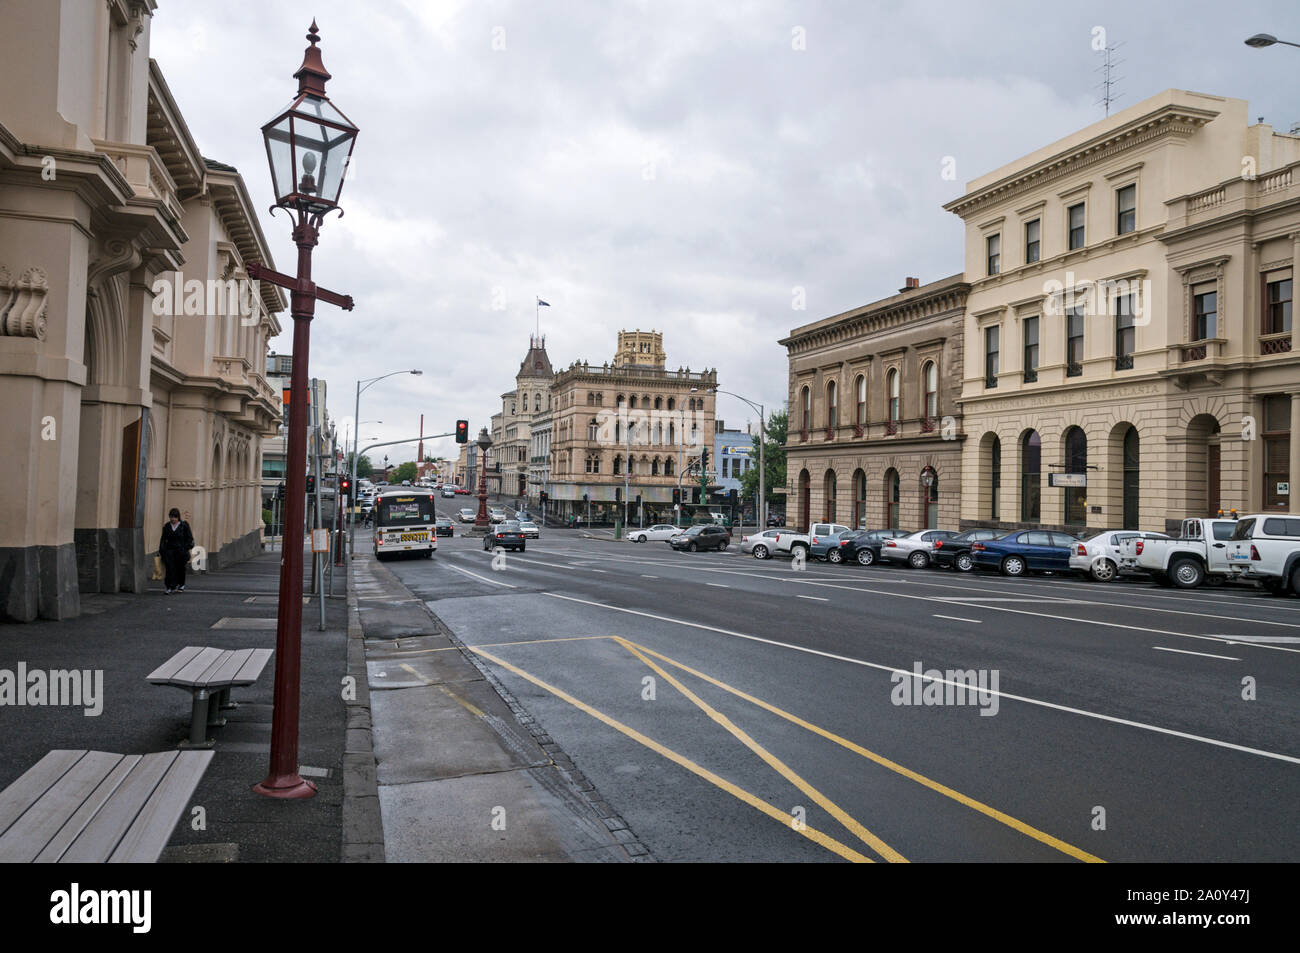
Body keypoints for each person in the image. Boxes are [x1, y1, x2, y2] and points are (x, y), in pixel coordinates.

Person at [159, 507, 194, 594]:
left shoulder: (184, 526)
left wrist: (185, 548)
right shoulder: (167, 526)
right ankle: (170, 587)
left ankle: (181, 585)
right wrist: (162, 551)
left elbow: (189, 538)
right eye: (171, 517)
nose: (173, 519)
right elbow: (163, 539)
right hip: (169, 551)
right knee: (170, 569)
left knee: (180, 569)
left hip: (181, 552)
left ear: (178, 517)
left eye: (174, 517)